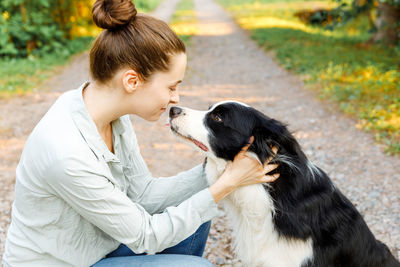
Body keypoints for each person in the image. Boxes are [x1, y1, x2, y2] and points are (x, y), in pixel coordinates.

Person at [2, 0, 279, 266]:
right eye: (171, 87)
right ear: (132, 81)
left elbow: (143, 193)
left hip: (99, 247)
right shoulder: (65, 152)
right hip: (66, 263)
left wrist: (223, 167)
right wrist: (225, 184)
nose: (176, 98)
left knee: (196, 206)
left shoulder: (108, 114)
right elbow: (146, 236)